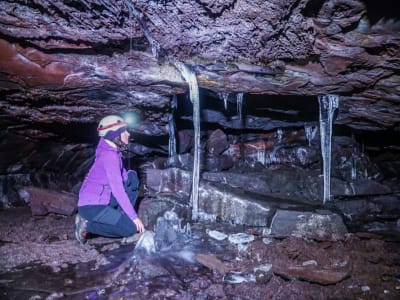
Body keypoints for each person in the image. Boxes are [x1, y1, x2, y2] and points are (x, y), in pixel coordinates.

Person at [75, 114, 145, 244]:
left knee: (132, 177)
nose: (128, 134)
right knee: (130, 228)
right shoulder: (109, 156)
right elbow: (118, 190)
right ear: (115, 135)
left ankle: (120, 217)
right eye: (124, 131)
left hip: (103, 199)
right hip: (92, 206)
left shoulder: (113, 151)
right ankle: (87, 225)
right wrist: (134, 218)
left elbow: (125, 180)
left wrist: (129, 176)